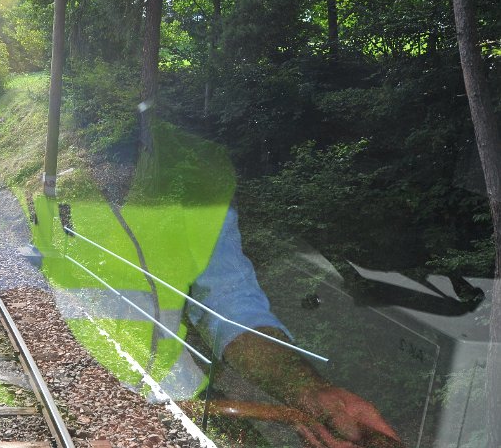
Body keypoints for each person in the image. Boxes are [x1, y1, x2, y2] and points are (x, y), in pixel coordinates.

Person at [26, 121, 401, 448]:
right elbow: (17, 297)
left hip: (175, 403)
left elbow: (232, 308)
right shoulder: (42, 179)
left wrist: (311, 392)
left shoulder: (197, 188)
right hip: (50, 395)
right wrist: (75, 385)